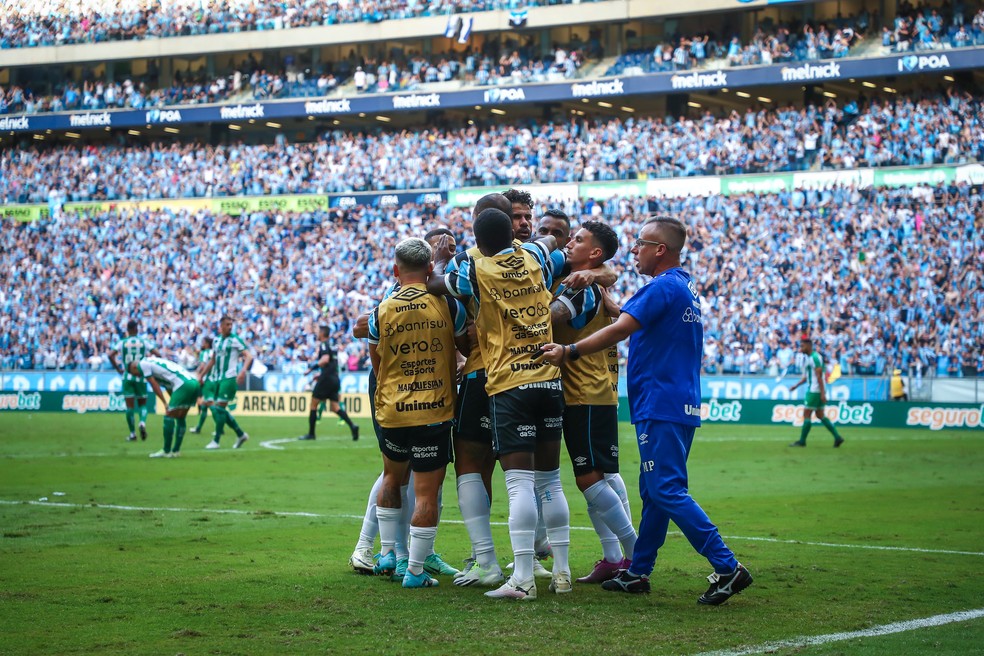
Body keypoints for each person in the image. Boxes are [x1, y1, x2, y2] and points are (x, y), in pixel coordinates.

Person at [537, 215, 753, 605]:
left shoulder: (661, 288)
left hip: (660, 401)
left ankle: (727, 566)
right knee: (653, 492)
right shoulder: (682, 286)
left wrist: (569, 350)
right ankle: (638, 572)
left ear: (660, 250)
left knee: (666, 489)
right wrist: (615, 302)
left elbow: (621, 329)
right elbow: (640, 320)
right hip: (677, 400)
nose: (634, 249)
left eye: (641, 243)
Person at [429, 207, 572, 600]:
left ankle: (520, 576)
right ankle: (562, 572)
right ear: (513, 233)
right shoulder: (534, 257)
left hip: (507, 383)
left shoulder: (475, 270)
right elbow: (552, 246)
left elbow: (439, 282)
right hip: (549, 379)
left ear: (478, 241)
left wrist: (442, 257)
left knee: (517, 482)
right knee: (550, 481)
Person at [347, 228, 460, 580]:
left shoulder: (382, 309)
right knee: (427, 491)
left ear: (396, 270)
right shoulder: (448, 302)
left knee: (392, 479)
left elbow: (376, 359)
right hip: (433, 406)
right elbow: (461, 348)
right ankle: (411, 567)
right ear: (431, 267)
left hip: (394, 406)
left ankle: (386, 554)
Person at [549, 221, 637, 584]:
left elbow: (555, 317)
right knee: (603, 474)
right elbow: (609, 274)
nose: (569, 242)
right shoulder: (591, 280)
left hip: (583, 391)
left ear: (595, 252)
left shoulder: (581, 288)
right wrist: (599, 273)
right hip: (598, 389)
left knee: (589, 478)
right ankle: (615, 557)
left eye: (578, 239)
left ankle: (636, 553)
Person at [130, 356, 201, 458]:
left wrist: (164, 403)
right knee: (180, 417)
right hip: (193, 382)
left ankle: (166, 450)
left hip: (183, 384)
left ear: (134, 367)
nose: (137, 376)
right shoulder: (155, 365)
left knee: (169, 416)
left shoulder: (142, 364)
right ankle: (176, 451)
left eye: (134, 373)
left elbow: (154, 385)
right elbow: (169, 386)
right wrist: (172, 401)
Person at [197, 315, 251, 450]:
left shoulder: (235, 340)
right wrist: (201, 376)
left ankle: (216, 441)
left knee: (219, 408)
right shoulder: (216, 341)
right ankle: (240, 434)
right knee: (218, 408)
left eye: (231, 324)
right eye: (227, 324)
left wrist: (243, 371)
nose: (230, 326)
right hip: (217, 378)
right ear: (221, 326)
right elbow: (212, 361)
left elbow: (249, 356)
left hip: (229, 378)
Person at [298, 325, 359, 441]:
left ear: (322, 333)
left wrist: (311, 368)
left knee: (313, 404)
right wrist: (320, 374)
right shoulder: (332, 346)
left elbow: (325, 360)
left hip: (327, 379)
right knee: (335, 407)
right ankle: (353, 426)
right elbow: (331, 364)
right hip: (334, 379)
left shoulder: (324, 345)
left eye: (318, 331)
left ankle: (311, 434)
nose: (317, 333)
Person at [108, 320, 160, 442]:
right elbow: (158, 354)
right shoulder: (144, 342)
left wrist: (118, 369)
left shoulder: (122, 343)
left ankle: (132, 434)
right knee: (142, 404)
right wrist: (151, 368)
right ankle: (142, 422)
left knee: (129, 407)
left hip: (127, 376)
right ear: (137, 329)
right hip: (141, 376)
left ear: (127, 330)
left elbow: (110, 355)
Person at [788, 335, 845, 448]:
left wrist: (823, 394)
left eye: (803, 346)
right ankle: (837, 437)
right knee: (820, 414)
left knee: (807, 414)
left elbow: (819, 377)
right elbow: (809, 376)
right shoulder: (811, 358)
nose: (801, 348)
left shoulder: (814, 357)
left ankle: (802, 441)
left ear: (809, 346)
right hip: (817, 389)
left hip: (815, 390)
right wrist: (796, 386)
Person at [189, 336, 217, 436]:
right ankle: (198, 428)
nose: (202, 344)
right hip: (215, 380)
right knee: (205, 406)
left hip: (207, 381)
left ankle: (220, 427)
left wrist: (199, 375)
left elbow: (202, 366)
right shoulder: (214, 353)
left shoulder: (204, 353)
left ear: (207, 344)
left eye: (203, 342)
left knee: (211, 404)